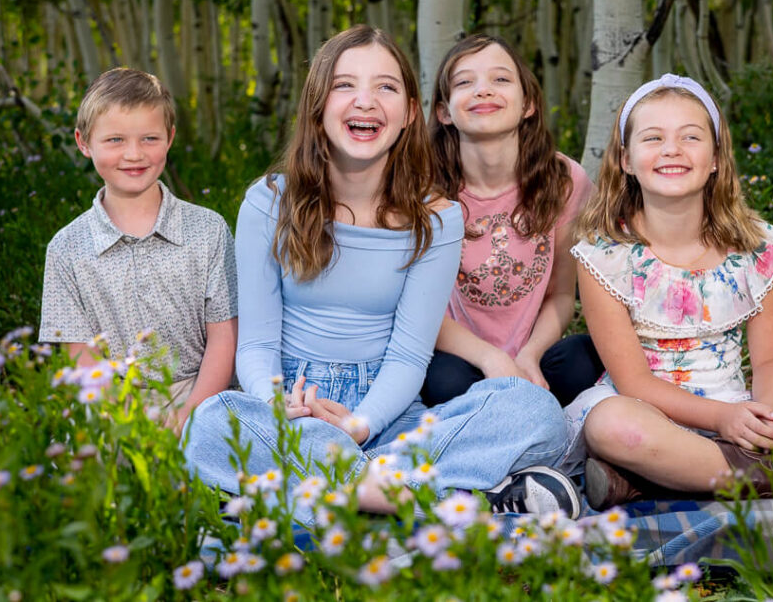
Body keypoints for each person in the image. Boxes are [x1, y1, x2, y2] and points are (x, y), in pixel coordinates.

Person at [183, 26, 578, 523]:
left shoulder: (436, 217)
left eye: (386, 87)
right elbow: (257, 345)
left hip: (386, 413)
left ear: (411, 111)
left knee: (535, 413)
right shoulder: (268, 201)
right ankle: (421, 496)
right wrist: (277, 403)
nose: (364, 101)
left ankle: (324, 495)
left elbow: (411, 352)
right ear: (317, 105)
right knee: (210, 423)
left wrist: (361, 425)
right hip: (296, 404)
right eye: (345, 85)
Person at [566, 73, 773, 511]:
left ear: (714, 159)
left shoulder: (756, 248)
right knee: (612, 426)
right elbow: (634, 383)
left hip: (737, 411)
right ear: (626, 160)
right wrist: (722, 421)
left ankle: (654, 483)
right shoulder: (605, 255)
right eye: (653, 137)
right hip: (648, 412)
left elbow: (772, 359)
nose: (672, 149)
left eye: (691, 136)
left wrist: (769, 417)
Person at [39, 68, 238, 434]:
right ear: (84, 143)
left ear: (170, 138)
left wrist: (188, 417)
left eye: (149, 138)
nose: (134, 154)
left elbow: (224, 338)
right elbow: (82, 360)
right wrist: (127, 422)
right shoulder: (66, 249)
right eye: (115, 140)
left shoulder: (209, 230)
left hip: (201, 392)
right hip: (110, 403)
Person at [422, 34, 602, 408]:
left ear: (529, 105)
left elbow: (561, 295)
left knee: (585, 358)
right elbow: (421, 311)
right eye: (464, 82)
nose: (483, 90)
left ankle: (536, 434)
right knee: (439, 379)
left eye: (500, 79)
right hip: (459, 360)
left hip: (534, 360)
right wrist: (492, 360)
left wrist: (529, 356)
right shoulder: (424, 191)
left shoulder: (564, 181)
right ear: (444, 111)